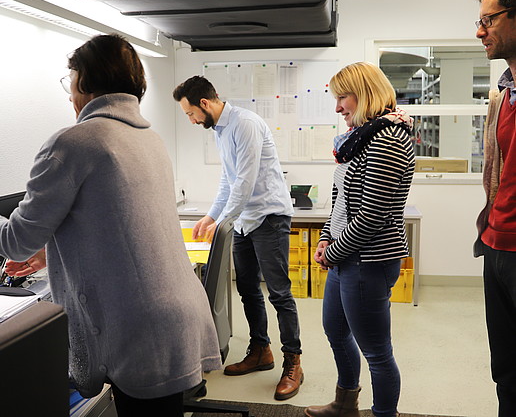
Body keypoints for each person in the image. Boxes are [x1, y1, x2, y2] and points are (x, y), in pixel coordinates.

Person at [0, 34, 222, 417]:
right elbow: (114, 226)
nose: (69, 94)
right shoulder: (148, 138)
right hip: (173, 311)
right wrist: (52, 253)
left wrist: (31, 243)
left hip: (138, 325)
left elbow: (15, 242)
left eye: (70, 82)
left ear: (84, 81)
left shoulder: (74, 143)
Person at [173, 76, 303, 400]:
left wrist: (223, 221)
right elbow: (228, 182)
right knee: (246, 288)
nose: (190, 121)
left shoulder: (245, 124)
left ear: (204, 104)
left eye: (190, 114)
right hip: (245, 220)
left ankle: (293, 363)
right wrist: (211, 216)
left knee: (279, 293)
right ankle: (261, 350)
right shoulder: (220, 130)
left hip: (269, 216)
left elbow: (244, 182)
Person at [304, 62, 415, 417]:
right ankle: (344, 404)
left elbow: (371, 217)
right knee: (336, 332)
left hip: (368, 262)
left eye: (342, 97)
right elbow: (341, 201)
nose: (338, 108)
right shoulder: (363, 136)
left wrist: (332, 251)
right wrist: (325, 238)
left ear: (365, 93)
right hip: (346, 258)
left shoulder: (389, 139)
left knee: (377, 352)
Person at [473, 0, 516, 417]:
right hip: (497, 244)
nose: (480, 31)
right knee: (504, 369)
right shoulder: (501, 97)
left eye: (489, 19)